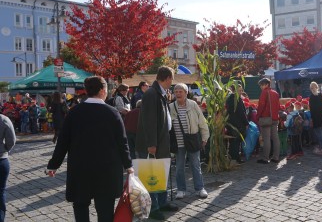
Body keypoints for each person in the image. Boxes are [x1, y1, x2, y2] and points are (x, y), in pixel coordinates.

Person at [46, 76, 133, 222]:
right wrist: (128, 165)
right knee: (105, 210)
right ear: (102, 90)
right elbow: (122, 142)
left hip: (81, 168)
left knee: (80, 208)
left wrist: (53, 165)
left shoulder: (74, 112)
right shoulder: (112, 113)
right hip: (107, 169)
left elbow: (63, 142)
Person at [136, 66, 178, 220]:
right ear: (167, 78)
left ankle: (162, 202)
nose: (172, 82)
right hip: (154, 143)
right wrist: (151, 144)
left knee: (161, 174)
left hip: (161, 141)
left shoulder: (159, 93)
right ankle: (153, 207)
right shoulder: (152, 94)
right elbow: (149, 122)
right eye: (171, 79)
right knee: (151, 176)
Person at [169, 83, 209, 199]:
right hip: (178, 142)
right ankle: (181, 190)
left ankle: (200, 188)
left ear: (186, 93)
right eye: (176, 92)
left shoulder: (193, 105)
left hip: (192, 140)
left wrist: (204, 137)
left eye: (180, 91)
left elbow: (202, 121)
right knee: (179, 167)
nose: (178, 94)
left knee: (196, 165)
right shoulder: (171, 107)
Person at [256, 78, 280, 164]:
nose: (261, 87)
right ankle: (276, 157)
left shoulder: (264, 92)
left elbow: (261, 106)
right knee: (275, 138)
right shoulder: (276, 93)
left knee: (266, 139)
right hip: (275, 118)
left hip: (266, 118)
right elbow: (278, 106)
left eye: (262, 85)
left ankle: (265, 158)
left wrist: (258, 116)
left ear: (266, 84)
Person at [226, 84, 249, 164]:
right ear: (234, 90)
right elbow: (241, 113)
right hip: (238, 124)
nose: (241, 92)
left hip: (231, 123)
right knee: (236, 142)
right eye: (239, 90)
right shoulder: (236, 99)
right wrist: (246, 123)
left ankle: (234, 158)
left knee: (233, 142)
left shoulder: (229, 98)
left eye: (241, 90)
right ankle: (235, 158)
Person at [0, 114, 16, 222]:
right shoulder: (3, 119)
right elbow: (12, 141)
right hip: (1, 159)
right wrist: (4, 149)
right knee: (0, 192)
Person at [309, 81, 322, 155]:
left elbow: (312, 109)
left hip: (315, 116)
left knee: (318, 132)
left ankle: (321, 148)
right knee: (320, 131)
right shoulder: (320, 95)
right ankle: (321, 146)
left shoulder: (311, 97)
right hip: (321, 115)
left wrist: (312, 118)